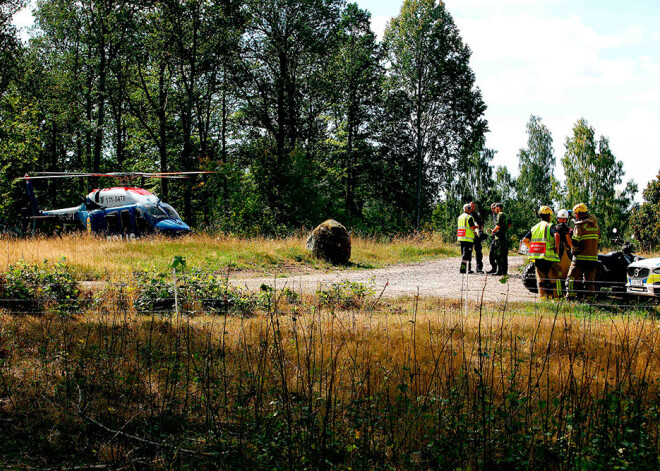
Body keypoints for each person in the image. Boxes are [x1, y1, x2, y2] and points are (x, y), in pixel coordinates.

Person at [522, 206, 562, 299]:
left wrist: (532, 247)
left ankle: (543, 298)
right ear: (549, 216)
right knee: (555, 277)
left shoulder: (534, 227)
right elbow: (556, 235)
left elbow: (525, 240)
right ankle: (557, 297)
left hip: (537, 257)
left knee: (541, 279)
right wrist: (556, 248)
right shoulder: (550, 225)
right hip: (549, 256)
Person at [566, 203, 601, 300]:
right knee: (589, 281)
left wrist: (573, 251)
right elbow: (599, 241)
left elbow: (575, 241)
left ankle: (571, 298)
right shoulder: (595, 226)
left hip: (580, 258)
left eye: (576, 213)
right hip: (593, 259)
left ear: (580, 213)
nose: (575, 216)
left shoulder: (579, 226)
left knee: (572, 278)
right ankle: (589, 300)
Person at [457, 203, 479, 274]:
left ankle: (466, 269)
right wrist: (477, 227)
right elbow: (472, 227)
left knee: (464, 253)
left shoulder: (460, 217)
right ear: (468, 209)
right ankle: (464, 269)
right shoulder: (469, 217)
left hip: (461, 237)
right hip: (468, 238)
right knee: (466, 255)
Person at [488, 202, 508, 275]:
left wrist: (493, 231)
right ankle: (504, 271)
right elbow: (509, 224)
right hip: (504, 237)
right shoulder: (505, 215)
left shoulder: (500, 214)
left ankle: (499, 271)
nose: (494, 209)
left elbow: (498, 225)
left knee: (498, 254)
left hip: (499, 238)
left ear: (498, 207)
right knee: (504, 255)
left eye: (495, 208)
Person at [469, 201, 485, 273]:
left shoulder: (477, 215)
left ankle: (479, 268)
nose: (472, 208)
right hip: (469, 236)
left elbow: (481, 224)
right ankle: (468, 268)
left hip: (477, 236)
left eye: (473, 207)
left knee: (478, 252)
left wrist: (481, 230)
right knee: (468, 252)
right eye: (471, 206)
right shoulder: (467, 215)